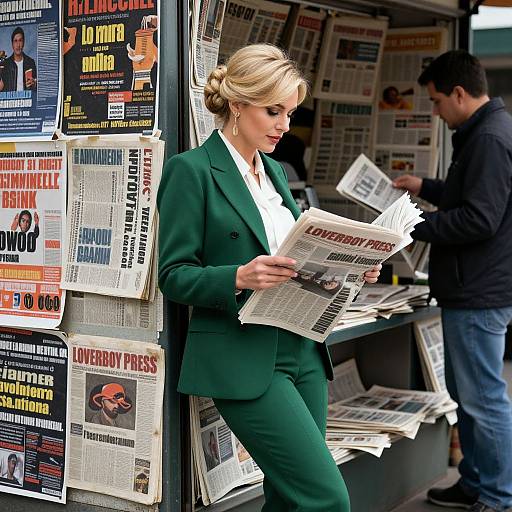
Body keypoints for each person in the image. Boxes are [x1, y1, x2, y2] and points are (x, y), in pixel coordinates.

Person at [157, 43, 381, 512]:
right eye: (273, 111)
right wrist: (238, 276)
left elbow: (297, 260)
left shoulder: (276, 171)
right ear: (237, 105)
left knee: (288, 496)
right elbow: (174, 276)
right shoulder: (191, 171)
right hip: (245, 357)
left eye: (290, 112)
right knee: (326, 498)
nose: (284, 125)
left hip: (304, 350)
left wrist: (351, 267)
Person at [393, 50, 512, 512]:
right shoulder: (482, 132)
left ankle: (499, 498)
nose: (435, 111)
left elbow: (479, 219)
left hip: (479, 292)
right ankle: (477, 483)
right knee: (469, 396)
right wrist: (425, 186)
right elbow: (472, 196)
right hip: (474, 287)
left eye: (438, 101)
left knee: (484, 400)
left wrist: (410, 227)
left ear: (460, 94)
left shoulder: (489, 140)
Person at [0, 27, 37, 92]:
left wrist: (34, 84)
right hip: (11, 101)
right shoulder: (5, 64)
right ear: (12, 44)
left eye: (20, 40)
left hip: (27, 100)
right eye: (15, 41)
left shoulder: (31, 62)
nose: (18, 45)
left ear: (23, 42)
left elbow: (35, 88)